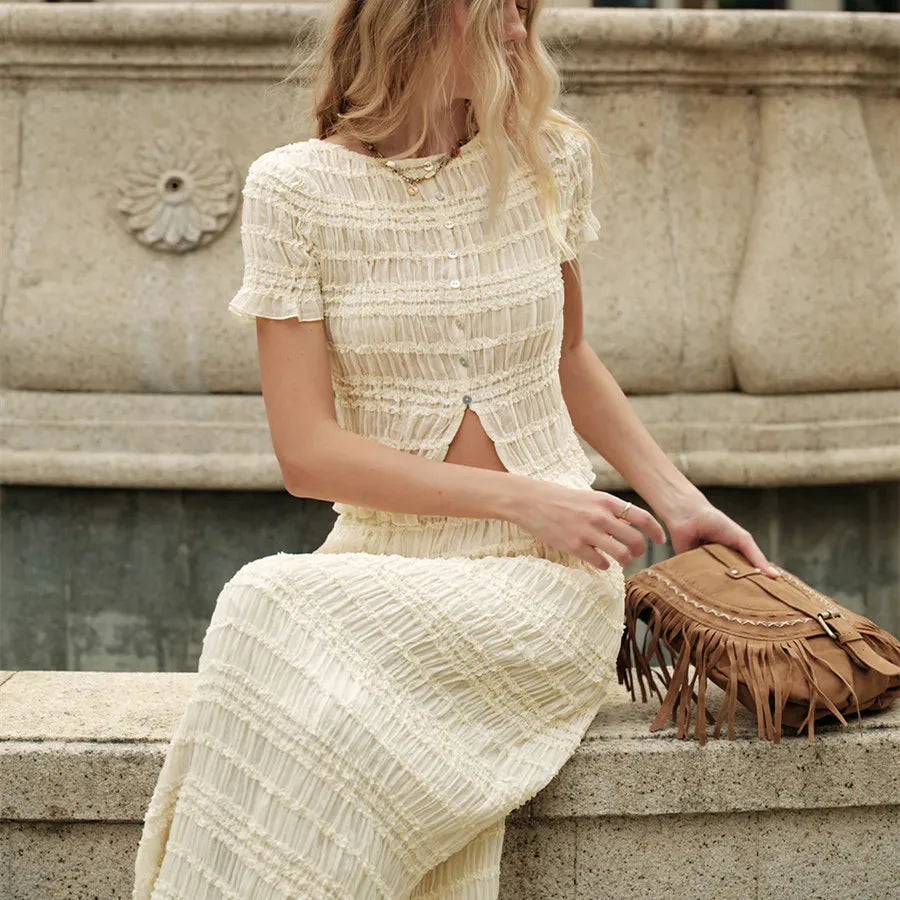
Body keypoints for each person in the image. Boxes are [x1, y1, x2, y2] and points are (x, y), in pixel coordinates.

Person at [132, 1, 778, 897]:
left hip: (548, 574)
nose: (519, 34)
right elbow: (306, 453)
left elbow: (568, 355)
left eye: (524, 12)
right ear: (418, 19)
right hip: (384, 557)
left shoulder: (549, 160)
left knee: (268, 603)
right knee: (267, 602)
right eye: (498, 12)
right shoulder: (292, 189)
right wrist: (520, 495)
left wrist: (676, 498)